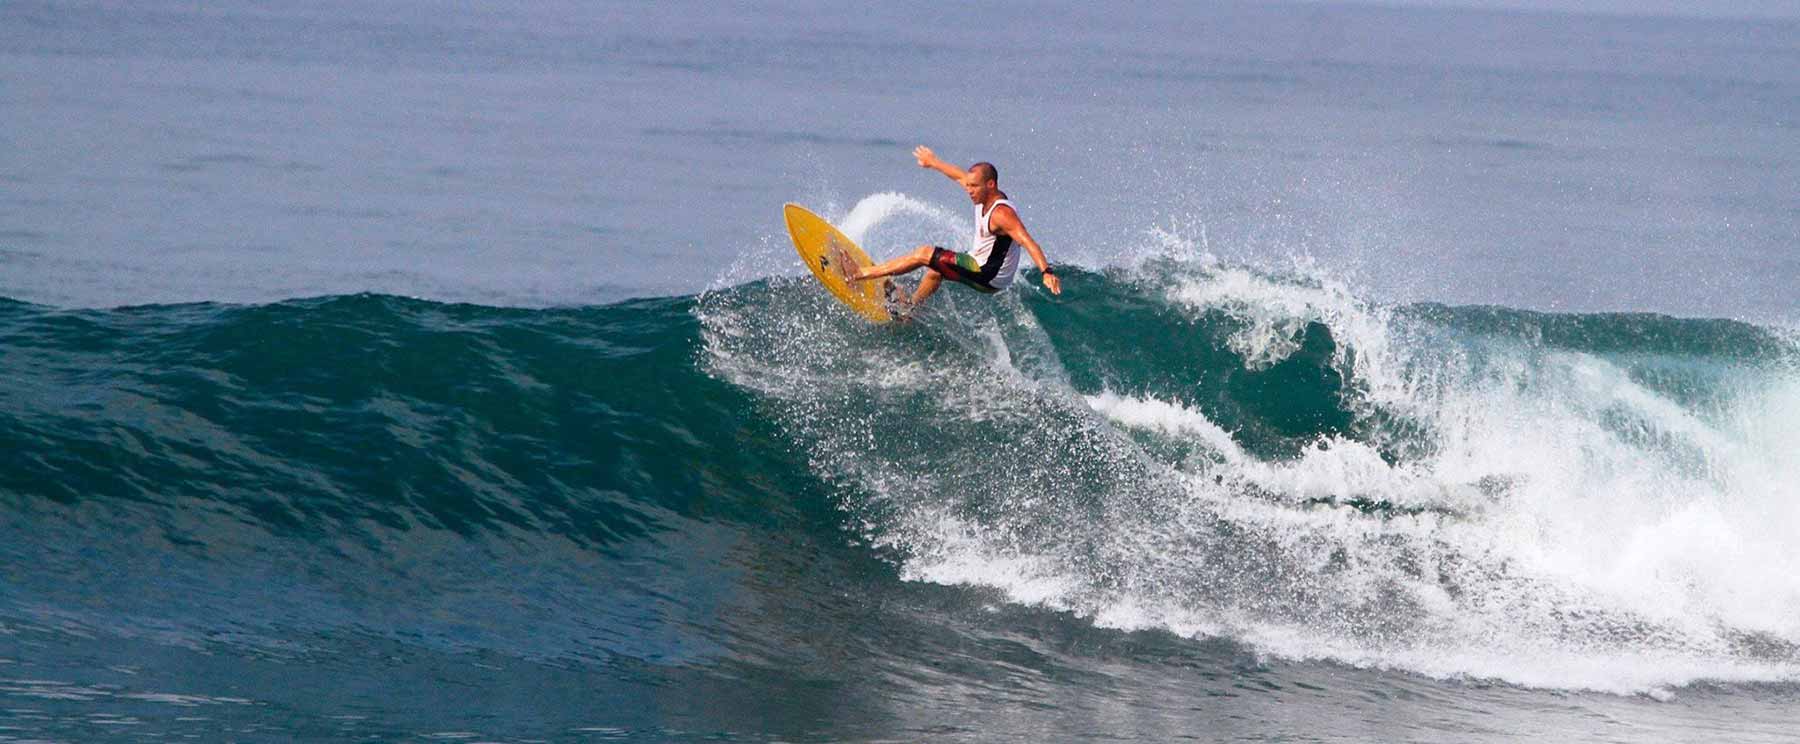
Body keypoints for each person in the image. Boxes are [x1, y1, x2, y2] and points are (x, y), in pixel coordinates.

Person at [846, 146, 1061, 311]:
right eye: (968, 185)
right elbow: (959, 175)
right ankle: (909, 308)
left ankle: (861, 274)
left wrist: (1046, 271)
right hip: (978, 263)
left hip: (988, 275)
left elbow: (1027, 241)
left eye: (974, 186)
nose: (969, 190)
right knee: (934, 271)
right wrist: (933, 162)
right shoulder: (981, 194)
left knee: (925, 253)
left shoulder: (1002, 214)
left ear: (991, 185)